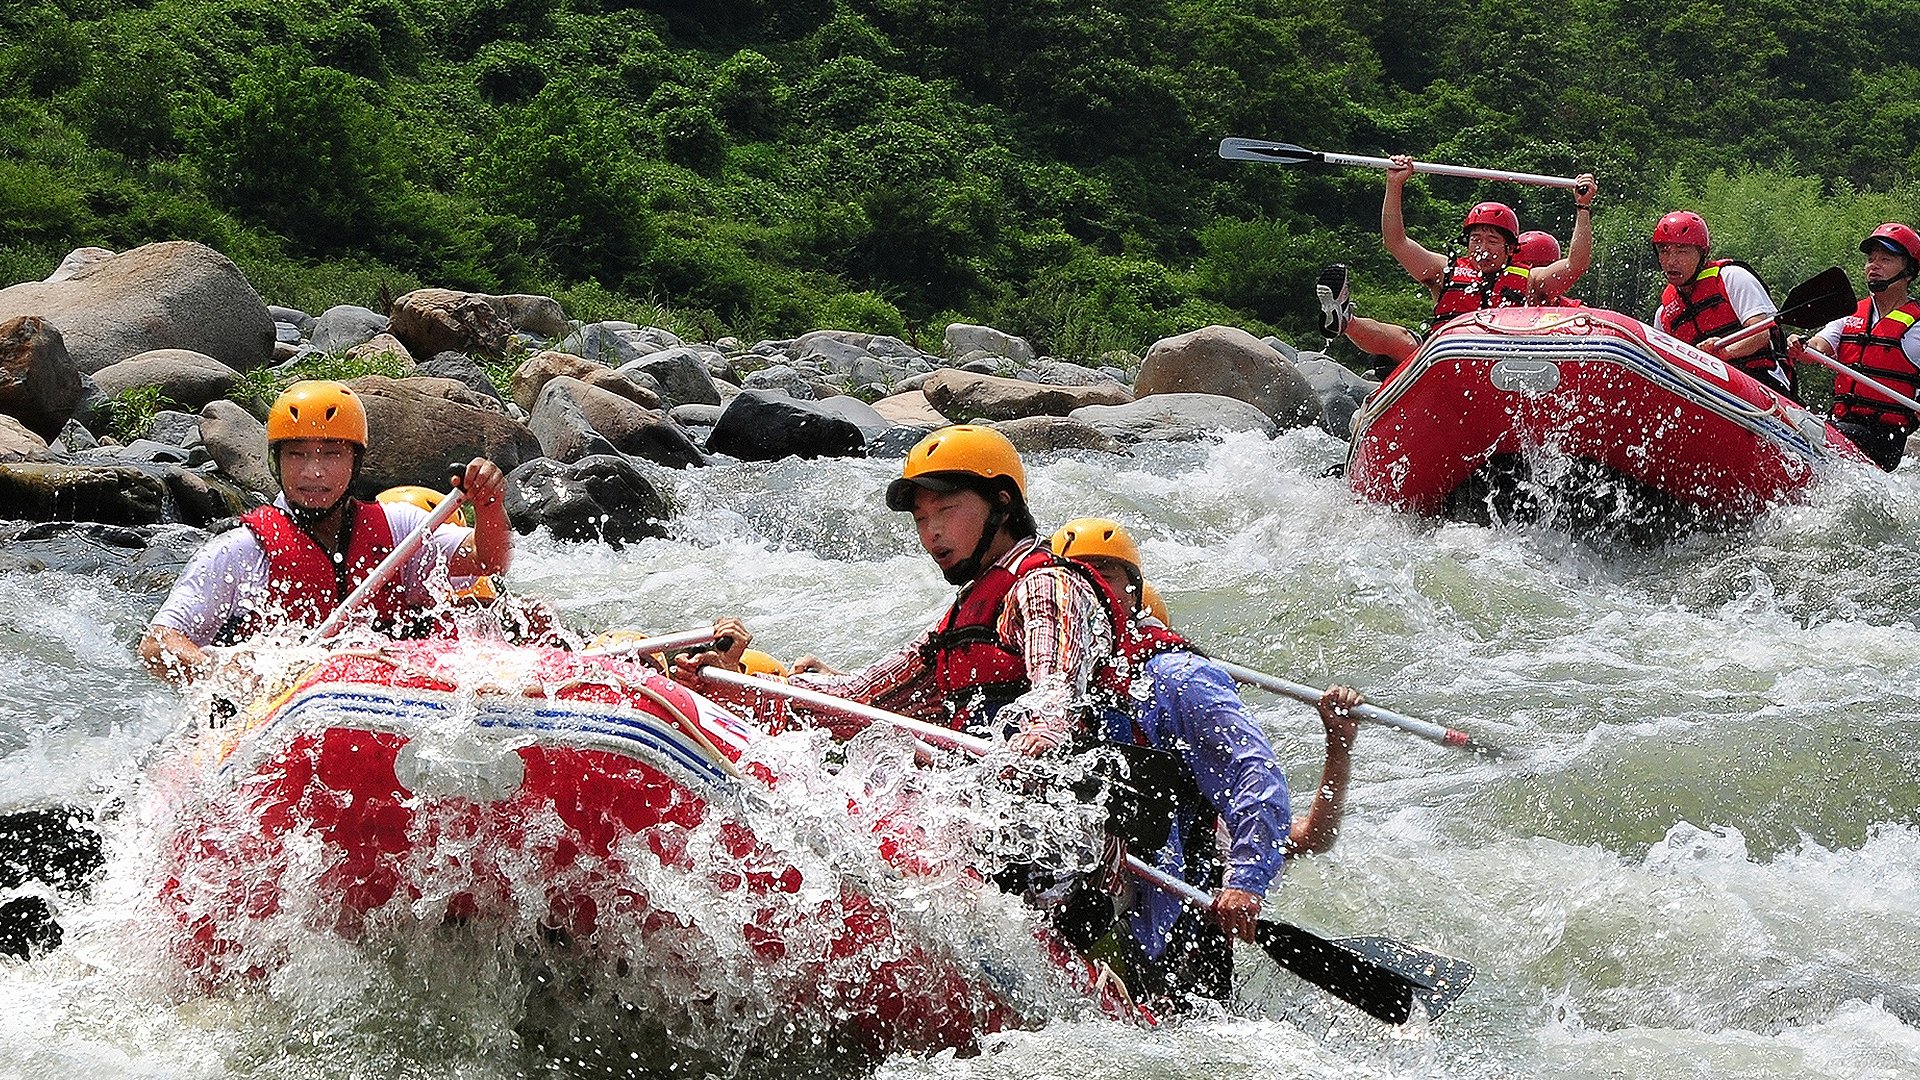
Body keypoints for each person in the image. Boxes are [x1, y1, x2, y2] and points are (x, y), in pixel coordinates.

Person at [1048, 517, 1361, 1004]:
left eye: (1101, 576)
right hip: (1103, 909)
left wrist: (1245, 884)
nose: (1084, 591)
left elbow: (1284, 809)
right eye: (1071, 579)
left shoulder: (1177, 680)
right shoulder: (1062, 686)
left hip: (1179, 939)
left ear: (1131, 592)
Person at [677, 425, 1114, 756]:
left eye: (945, 510)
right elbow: (860, 698)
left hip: (1045, 825)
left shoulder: (1044, 587)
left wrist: (1029, 745)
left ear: (1001, 503)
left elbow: (1056, 700)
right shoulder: (969, 608)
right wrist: (735, 687)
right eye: (921, 519)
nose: (932, 534)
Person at [140, 380, 512, 684]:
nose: (313, 472)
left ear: (356, 461)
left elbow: (488, 561)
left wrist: (488, 504)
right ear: (277, 461)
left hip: (382, 701)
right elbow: (157, 645)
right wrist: (222, 670)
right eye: (297, 454)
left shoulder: (400, 527)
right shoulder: (239, 551)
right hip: (275, 711)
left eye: (331, 454)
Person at [1317, 156, 1597, 365]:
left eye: (1492, 240)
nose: (1482, 247)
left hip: (1504, 363)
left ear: (1510, 248)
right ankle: (1344, 320)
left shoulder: (1532, 282)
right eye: (1476, 239)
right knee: (1402, 340)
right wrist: (1394, 185)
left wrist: (1582, 207)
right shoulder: (1445, 271)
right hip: (1445, 357)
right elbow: (1397, 242)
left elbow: (1576, 264)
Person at [1790, 222, 1920, 471]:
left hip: (1884, 439)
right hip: (1841, 425)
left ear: (1909, 271)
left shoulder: (1917, 325)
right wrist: (1802, 346)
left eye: (1886, 259)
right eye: (1871, 259)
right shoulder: (1850, 313)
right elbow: (1819, 345)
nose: (1874, 265)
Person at [1649, 210, 1796, 399]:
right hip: (1705, 393)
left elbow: (1760, 334)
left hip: (1761, 384)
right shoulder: (1664, 314)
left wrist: (1724, 353)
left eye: (1682, 251)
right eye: (1664, 251)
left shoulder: (1732, 278)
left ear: (1703, 254)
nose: (1671, 261)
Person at [1517, 231, 1584, 307]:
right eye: (1532, 269)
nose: (1539, 276)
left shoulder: (1571, 308)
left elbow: (1577, 263)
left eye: (1548, 269)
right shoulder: (1504, 298)